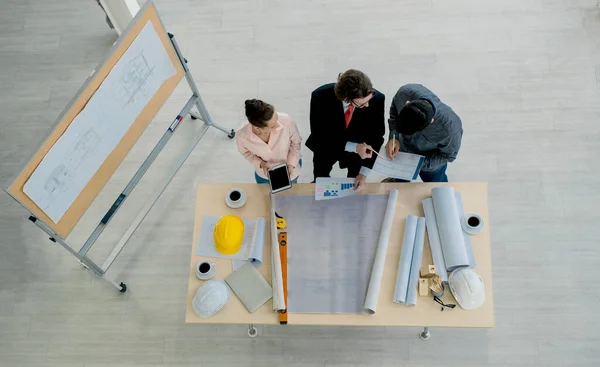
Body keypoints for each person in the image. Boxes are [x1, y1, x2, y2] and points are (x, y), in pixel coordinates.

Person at [305, 69, 385, 192]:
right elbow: (320, 135)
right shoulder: (320, 96)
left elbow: (376, 136)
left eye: (368, 100)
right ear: (347, 98)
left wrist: (363, 174)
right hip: (326, 147)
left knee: (354, 183)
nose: (367, 105)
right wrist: (354, 147)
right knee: (321, 179)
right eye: (362, 104)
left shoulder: (377, 99)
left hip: (358, 153)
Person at [384, 84, 462, 183]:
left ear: (431, 121)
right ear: (407, 103)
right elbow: (394, 110)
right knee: (400, 183)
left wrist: (419, 163)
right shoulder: (404, 93)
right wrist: (394, 137)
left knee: (436, 188)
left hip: (430, 165)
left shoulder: (450, 129)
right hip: (402, 153)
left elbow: (448, 156)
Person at [236, 99, 302, 184]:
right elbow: (246, 153)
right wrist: (260, 163)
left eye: (277, 117)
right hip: (264, 175)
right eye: (273, 126)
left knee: (290, 193)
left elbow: (296, 143)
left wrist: (291, 164)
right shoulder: (242, 136)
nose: (279, 125)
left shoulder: (287, 121)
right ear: (257, 128)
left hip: (291, 168)